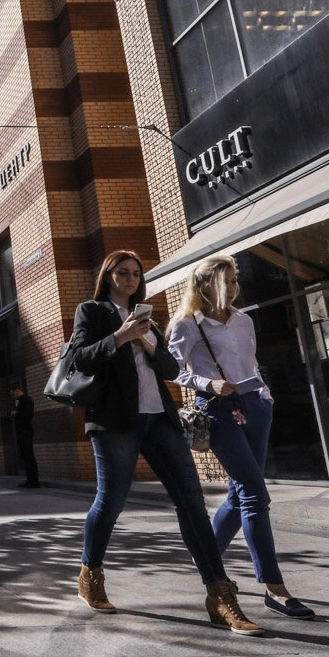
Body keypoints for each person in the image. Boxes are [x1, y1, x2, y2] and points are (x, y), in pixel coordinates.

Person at [70, 249, 262, 635]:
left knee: (191, 501)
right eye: (122, 273)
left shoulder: (147, 318)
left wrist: (150, 344)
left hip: (160, 420)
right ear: (109, 276)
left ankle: (219, 595)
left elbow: (173, 370)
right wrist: (120, 337)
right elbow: (79, 359)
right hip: (116, 422)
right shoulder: (92, 312)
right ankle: (91, 571)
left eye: (136, 274)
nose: (130, 279)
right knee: (111, 501)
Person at [167, 255, 315, 620]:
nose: (233, 289)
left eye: (236, 281)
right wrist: (207, 382)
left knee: (239, 492)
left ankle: (209, 561)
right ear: (204, 286)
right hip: (217, 408)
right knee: (253, 492)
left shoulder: (244, 320)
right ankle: (274, 589)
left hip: (255, 405)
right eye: (226, 282)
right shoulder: (188, 325)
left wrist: (263, 392)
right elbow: (170, 370)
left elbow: (250, 362)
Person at [10, 381, 39, 487]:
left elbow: (28, 414)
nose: (13, 396)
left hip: (26, 431)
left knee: (29, 456)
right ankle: (29, 479)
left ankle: (34, 481)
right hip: (21, 431)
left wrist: (16, 413)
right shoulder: (19, 401)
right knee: (25, 456)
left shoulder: (27, 400)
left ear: (17, 391)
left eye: (13, 394)